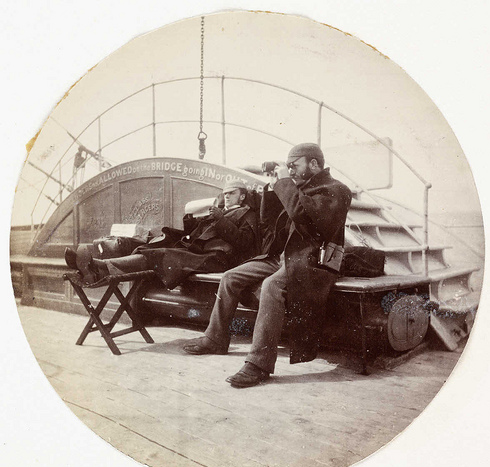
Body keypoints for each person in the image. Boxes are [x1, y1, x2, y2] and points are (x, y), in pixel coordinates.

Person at [183, 143, 353, 388]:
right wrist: (271, 187)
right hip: (284, 257)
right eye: (289, 167)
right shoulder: (300, 188)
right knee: (230, 277)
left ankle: (259, 364)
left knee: (271, 286)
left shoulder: (336, 190)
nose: (291, 171)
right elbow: (271, 224)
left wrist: (285, 183)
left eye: (295, 165)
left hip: (312, 261)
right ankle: (215, 339)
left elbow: (308, 220)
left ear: (314, 164)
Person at [65, 179, 259, 288]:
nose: (226, 196)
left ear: (242, 196)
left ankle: (98, 269)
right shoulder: (221, 212)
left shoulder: (247, 214)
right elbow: (196, 234)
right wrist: (191, 219)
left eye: (231, 193)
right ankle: (97, 268)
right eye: (225, 193)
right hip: (199, 253)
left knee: (161, 255)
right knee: (150, 247)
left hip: (217, 258)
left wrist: (220, 219)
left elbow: (244, 243)